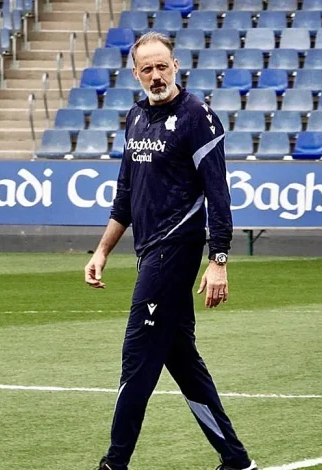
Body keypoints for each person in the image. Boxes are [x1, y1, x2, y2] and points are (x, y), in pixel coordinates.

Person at [84, 32, 257, 470]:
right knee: (183, 362)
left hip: (174, 252)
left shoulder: (198, 116)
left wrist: (219, 260)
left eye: (163, 66)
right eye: (148, 69)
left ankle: (113, 463)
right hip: (148, 252)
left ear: (176, 65)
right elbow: (125, 196)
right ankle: (236, 460)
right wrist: (102, 251)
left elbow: (219, 194)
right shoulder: (135, 117)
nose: (156, 75)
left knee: (136, 360)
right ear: (135, 72)